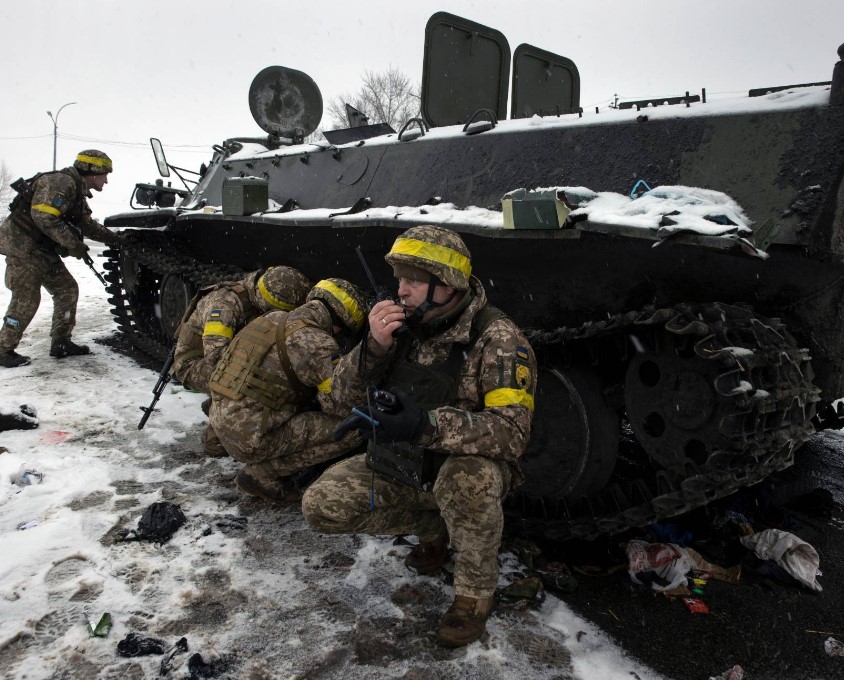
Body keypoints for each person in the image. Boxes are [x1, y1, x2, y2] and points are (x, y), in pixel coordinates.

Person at [301, 225, 537, 647]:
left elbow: (513, 433)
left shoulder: (498, 340)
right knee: (322, 506)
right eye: (398, 279)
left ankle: (474, 593)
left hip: (463, 469)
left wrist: (424, 424)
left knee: (467, 478)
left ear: (446, 285)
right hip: (406, 464)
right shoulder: (403, 326)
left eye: (412, 280)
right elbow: (337, 399)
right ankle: (437, 528)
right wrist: (372, 347)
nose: (401, 290)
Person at [208, 277, 368, 503]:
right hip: (248, 439)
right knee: (351, 429)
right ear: (339, 324)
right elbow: (338, 406)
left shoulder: (271, 317)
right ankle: (263, 474)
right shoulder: (318, 343)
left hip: (220, 420)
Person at [172, 266, 311, 456]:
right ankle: (222, 420)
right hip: (195, 363)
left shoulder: (255, 291)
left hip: (226, 356)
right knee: (258, 378)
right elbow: (217, 361)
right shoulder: (223, 305)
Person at [0, 150, 121, 368]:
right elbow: (43, 217)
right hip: (23, 248)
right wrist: (73, 244)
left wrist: (117, 240)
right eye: (105, 174)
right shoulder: (60, 182)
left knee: (67, 290)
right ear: (93, 172)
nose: (106, 180)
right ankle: (2, 349)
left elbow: (87, 225)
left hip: (42, 251)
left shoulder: (75, 192)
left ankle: (61, 342)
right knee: (26, 299)